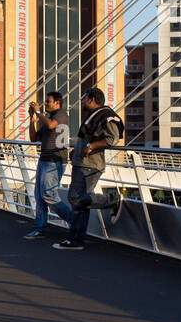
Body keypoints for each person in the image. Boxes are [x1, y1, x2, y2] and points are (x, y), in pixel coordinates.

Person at [52, 88, 124, 250]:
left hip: (90, 165)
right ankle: (75, 240)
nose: (82, 100)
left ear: (92, 99)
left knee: (76, 199)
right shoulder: (94, 116)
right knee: (79, 204)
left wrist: (91, 146)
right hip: (81, 163)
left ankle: (112, 199)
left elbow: (113, 139)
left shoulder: (106, 115)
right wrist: (76, 150)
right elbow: (87, 139)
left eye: (84, 98)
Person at [24, 91, 70, 239]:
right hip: (44, 159)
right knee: (39, 196)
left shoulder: (61, 114)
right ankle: (40, 228)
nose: (45, 104)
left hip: (54, 161)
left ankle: (75, 221)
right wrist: (32, 118)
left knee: (48, 195)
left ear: (57, 102)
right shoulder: (48, 118)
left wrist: (38, 112)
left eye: (48, 101)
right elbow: (33, 138)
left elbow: (51, 126)